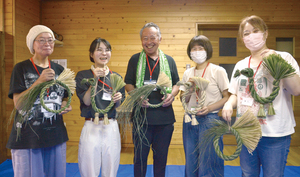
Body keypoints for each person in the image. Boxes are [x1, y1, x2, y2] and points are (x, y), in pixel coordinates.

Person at [222, 15, 300, 177]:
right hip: (246, 131)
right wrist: (229, 103)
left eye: (255, 31)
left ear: (265, 33)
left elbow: (296, 90)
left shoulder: (284, 57)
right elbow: (236, 93)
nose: (251, 36)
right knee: (248, 174)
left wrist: (278, 62)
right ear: (243, 39)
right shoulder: (241, 65)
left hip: (275, 134)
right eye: (246, 33)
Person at [7, 25, 72, 177]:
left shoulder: (59, 70)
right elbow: (19, 104)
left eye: (50, 40)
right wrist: (39, 81)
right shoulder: (21, 68)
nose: (47, 43)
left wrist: (64, 106)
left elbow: (65, 98)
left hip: (55, 135)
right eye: (41, 40)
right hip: (27, 137)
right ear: (32, 44)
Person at [124, 22, 180, 177]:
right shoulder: (135, 60)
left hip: (164, 119)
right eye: (145, 38)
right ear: (141, 40)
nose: (149, 42)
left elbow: (177, 83)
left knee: (161, 159)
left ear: (160, 39)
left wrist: (172, 95)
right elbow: (128, 83)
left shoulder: (169, 60)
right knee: (140, 159)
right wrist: (136, 95)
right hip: (141, 118)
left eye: (152, 37)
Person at [179, 35, 230, 177]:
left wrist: (210, 108)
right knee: (191, 161)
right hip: (190, 120)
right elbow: (183, 99)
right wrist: (190, 88)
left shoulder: (217, 71)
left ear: (207, 50)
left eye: (200, 48)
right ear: (190, 52)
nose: (197, 51)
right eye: (193, 49)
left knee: (210, 160)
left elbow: (227, 97)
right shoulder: (188, 73)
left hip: (210, 120)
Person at [75, 37, 125, 177]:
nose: (104, 53)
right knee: (89, 168)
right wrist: (94, 80)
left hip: (111, 125)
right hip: (92, 126)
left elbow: (119, 106)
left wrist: (118, 99)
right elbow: (86, 101)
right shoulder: (83, 76)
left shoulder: (116, 77)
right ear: (91, 54)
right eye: (99, 50)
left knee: (111, 168)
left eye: (107, 50)